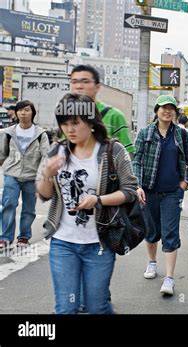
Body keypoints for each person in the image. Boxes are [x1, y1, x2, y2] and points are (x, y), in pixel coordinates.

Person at [36, 93, 138, 314]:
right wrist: (47, 174)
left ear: (91, 122)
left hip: (99, 243)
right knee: (65, 308)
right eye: (64, 123)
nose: (69, 129)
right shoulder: (57, 151)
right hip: (62, 242)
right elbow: (44, 195)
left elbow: (129, 191)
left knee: (97, 307)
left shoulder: (113, 151)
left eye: (75, 123)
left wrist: (98, 200)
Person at [133, 95, 188, 296]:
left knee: (170, 233)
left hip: (172, 193)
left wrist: (185, 183)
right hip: (148, 190)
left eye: (171, 108)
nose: (167, 111)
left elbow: (187, 162)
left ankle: (169, 278)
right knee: (151, 231)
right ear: (156, 110)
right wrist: (138, 185)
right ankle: (151, 263)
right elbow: (137, 160)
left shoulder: (181, 135)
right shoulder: (145, 133)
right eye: (163, 108)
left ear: (175, 112)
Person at [0, 100, 50, 249]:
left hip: (31, 177)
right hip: (12, 174)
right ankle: (5, 238)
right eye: (20, 110)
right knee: (8, 205)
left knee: (29, 209)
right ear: (16, 113)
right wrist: (5, 166)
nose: (23, 113)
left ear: (33, 113)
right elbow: (2, 153)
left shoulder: (40, 134)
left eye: (27, 110)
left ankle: (23, 237)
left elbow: (46, 156)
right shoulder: (8, 133)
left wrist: (41, 175)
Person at [70, 65, 135, 156]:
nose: (79, 86)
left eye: (85, 81)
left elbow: (127, 155)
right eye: (74, 82)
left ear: (97, 87)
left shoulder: (114, 116)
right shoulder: (66, 116)